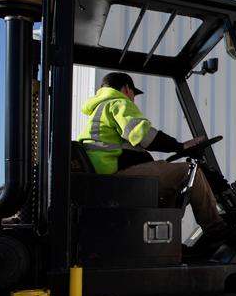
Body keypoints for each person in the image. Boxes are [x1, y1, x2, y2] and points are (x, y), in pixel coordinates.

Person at [78, 72, 225, 233]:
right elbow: (143, 135)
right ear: (127, 89)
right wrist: (180, 146)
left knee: (173, 186)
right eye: (133, 94)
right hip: (118, 180)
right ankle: (216, 230)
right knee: (191, 173)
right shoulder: (118, 103)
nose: (133, 99)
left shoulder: (98, 113)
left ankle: (168, 242)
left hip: (106, 181)